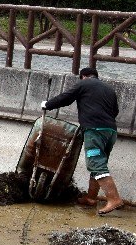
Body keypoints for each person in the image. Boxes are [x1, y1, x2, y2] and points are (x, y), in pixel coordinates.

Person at [43, 67, 124, 215]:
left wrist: (47, 105)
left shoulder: (84, 84)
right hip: (110, 132)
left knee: (95, 162)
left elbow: (65, 98)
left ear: (83, 76)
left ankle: (114, 199)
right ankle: (91, 198)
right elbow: (115, 111)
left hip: (95, 131)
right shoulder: (109, 90)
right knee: (100, 162)